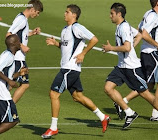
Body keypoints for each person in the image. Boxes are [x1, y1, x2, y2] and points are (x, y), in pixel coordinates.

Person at [41, 4, 110, 139]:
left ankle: (53, 128)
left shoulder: (77, 27)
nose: (64, 14)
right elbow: (66, 47)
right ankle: (103, 117)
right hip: (68, 68)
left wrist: (83, 53)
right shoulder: (65, 29)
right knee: (78, 97)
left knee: (54, 94)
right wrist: (56, 44)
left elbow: (94, 39)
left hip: (70, 69)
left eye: (67, 12)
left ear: (74, 15)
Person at [102, 2, 158, 130]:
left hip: (131, 68)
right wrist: (133, 45)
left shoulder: (123, 27)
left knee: (145, 93)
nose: (109, 16)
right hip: (121, 66)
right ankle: (129, 113)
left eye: (112, 13)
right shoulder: (123, 26)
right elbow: (139, 33)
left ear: (119, 14)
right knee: (108, 88)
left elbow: (127, 47)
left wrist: (111, 48)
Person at [0, 34, 29, 140]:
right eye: (18, 41)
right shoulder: (8, 55)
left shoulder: (9, 55)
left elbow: (9, 75)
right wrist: (9, 82)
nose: (20, 43)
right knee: (13, 120)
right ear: (13, 44)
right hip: (0, 92)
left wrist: (19, 74)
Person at [6, 0, 43, 104]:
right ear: (32, 9)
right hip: (18, 57)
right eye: (37, 12)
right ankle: (5, 109)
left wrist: (31, 33)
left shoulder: (22, 17)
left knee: (11, 84)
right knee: (23, 84)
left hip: (17, 57)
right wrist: (22, 46)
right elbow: (9, 35)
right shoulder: (21, 19)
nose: (37, 15)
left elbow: (20, 34)